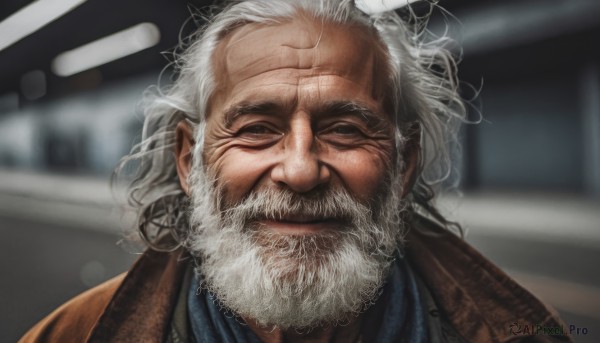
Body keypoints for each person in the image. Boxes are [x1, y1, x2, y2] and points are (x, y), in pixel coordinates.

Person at [21, 0, 571, 342]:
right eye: (258, 128)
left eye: (346, 130)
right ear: (190, 161)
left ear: (403, 165)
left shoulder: (520, 331)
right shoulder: (75, 335)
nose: (301, 170)